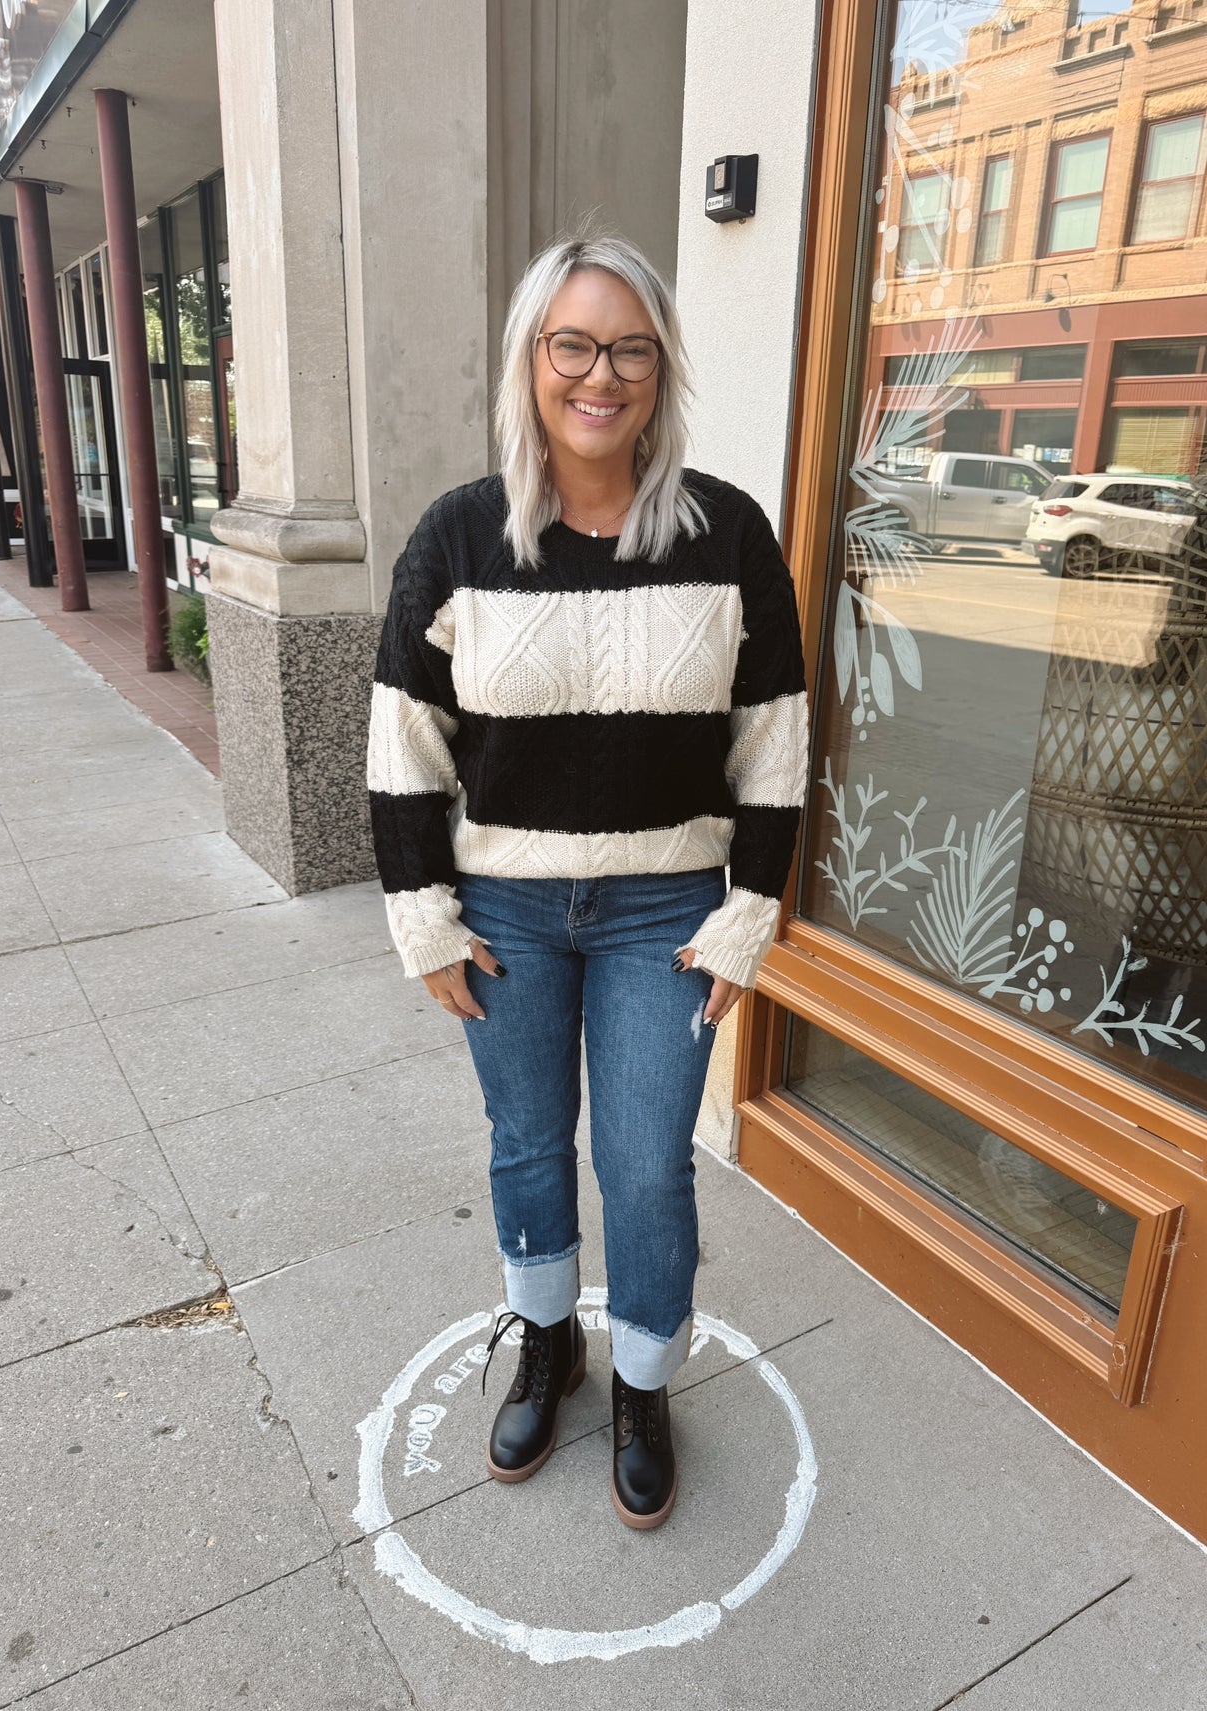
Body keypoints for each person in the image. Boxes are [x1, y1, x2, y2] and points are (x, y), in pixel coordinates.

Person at [367, 229, 807, 1529]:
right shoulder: (459, 535)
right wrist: (422, 917)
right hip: (502, 911)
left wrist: (748, 918)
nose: (598, 374)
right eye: (572, 344)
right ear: (531, 362)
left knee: (648, 1164)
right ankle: (549, 1339)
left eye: (627, 347)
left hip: (667, 917)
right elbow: (404, 739)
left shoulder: (728, 532)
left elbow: (774, 738)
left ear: (660, 369)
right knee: (523, 1146)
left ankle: (644, 1380)